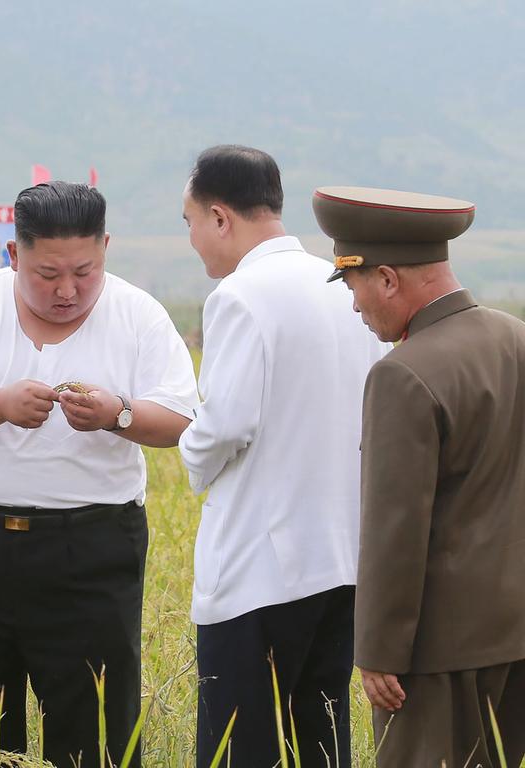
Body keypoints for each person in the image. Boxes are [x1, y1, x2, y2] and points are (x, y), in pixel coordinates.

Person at [0, 181, 199, 768]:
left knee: (94, 734)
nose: (67, 290)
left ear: (106, 248)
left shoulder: (137, 314)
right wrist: (1, 404)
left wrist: (119, 414)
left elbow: (180, 419)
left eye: (83, 272)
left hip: (90, 553)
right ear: (14, 255)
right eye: (47, 274)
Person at [178, 146, 388, 767]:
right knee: (321, 743)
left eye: (189, 222)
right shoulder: (342, 285)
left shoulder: (241, 296)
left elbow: (222, 426)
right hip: (341, 561)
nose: (192, 241)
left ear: (220, 217)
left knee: (243, 749)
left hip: (258, 571)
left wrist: (190, 450)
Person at [315, 185, 525, 768]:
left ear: (386, 279)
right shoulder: (516, 339)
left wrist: (379, 650)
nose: (356, 307)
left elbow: (394, 529)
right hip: (514, 633)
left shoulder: (403, 374)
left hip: (434, 654)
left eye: (355, 288)